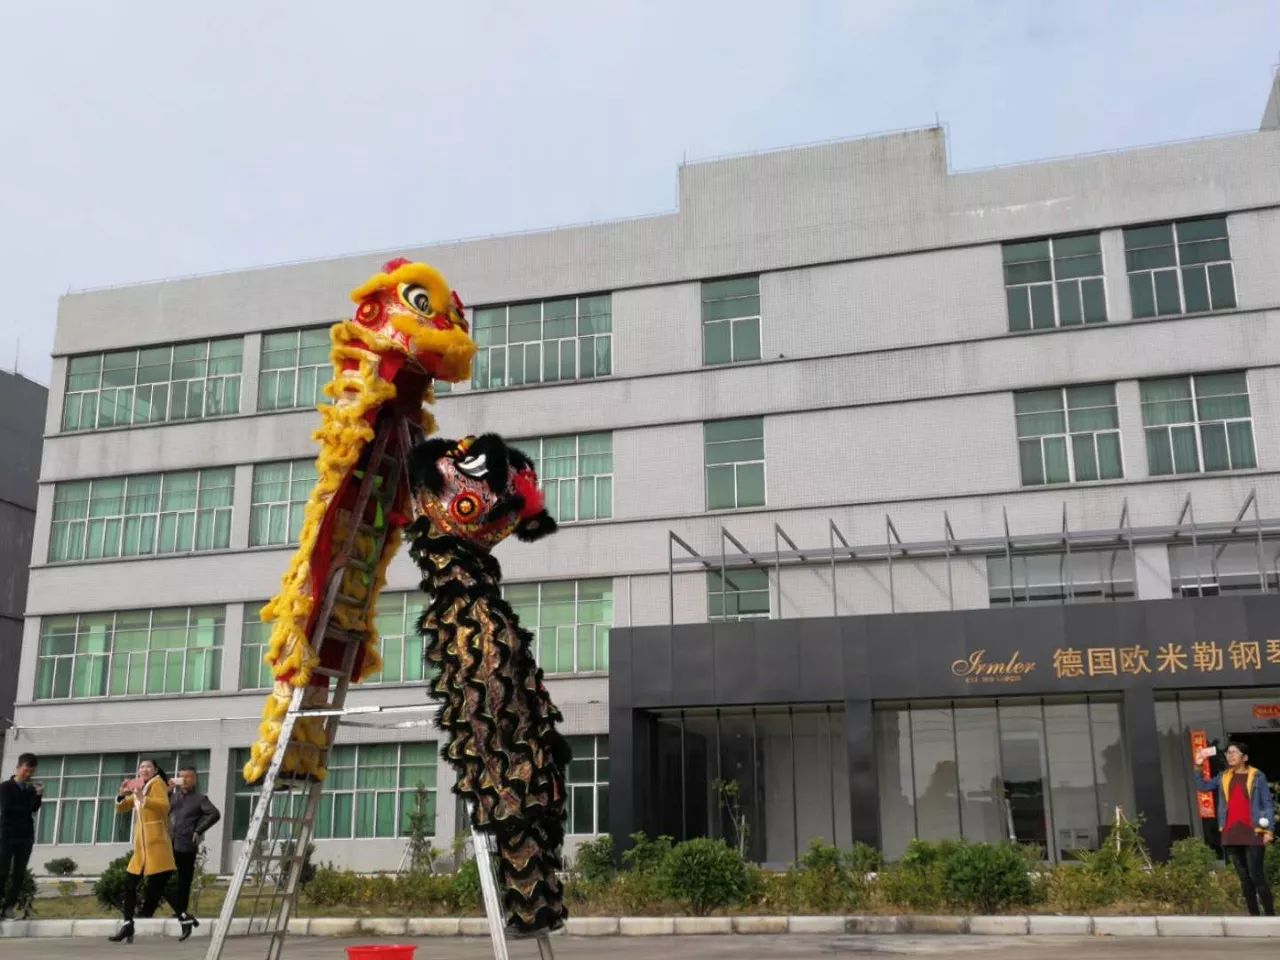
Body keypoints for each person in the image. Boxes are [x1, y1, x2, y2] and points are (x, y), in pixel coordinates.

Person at [1196, 741, 1276, 916]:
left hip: (1253, 832)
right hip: (1231, 833)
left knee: (1256, 876)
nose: (1230, 755)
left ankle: (1270, 916)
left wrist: (1269, 831)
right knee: (1244, 879)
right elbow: (1203, 786)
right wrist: (1199, 766)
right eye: (1228, 752)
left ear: (1244, 757)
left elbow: (1267, 804)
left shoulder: (1257, 776)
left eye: (1234, 752)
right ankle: (1254, 916)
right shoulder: (1224, 776)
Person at [109, 759, 177, 943]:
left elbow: (164, 806)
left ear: (155, 770)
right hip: (142, 847)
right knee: (130, 884)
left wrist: (142, 797)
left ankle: (184, 917)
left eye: (148, 767)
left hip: (156, 844)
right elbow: (122, 807)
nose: (144, 769)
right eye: (141, 767)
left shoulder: (157, 784)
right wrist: (122, 795)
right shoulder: (142, 786)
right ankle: (127, 924)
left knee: (160, 886)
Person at [167, 766, 220, 941]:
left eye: (188, 777)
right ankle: (183, 915)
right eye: (181, 777)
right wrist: (167, 791)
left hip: (186, 845)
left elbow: (214, 814)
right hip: (168, 844)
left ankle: (183, 918)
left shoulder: (200, 799)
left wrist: (198, 830)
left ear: (195, 780)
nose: (184, 780)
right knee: (160, 880)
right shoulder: (172, 797)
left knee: (183, 883)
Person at [0, 754, 43, 920]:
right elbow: (8, 808)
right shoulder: (5, 787)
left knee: (19, 874)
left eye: (32, 771)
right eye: (26, 770)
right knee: (2, 872)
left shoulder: (30, 789)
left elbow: (34, 808)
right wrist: (26, 806)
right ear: (18, 768)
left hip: (25, 837)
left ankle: (8, 907)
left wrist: (38, 795)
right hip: (7, 835)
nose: (29, 774)